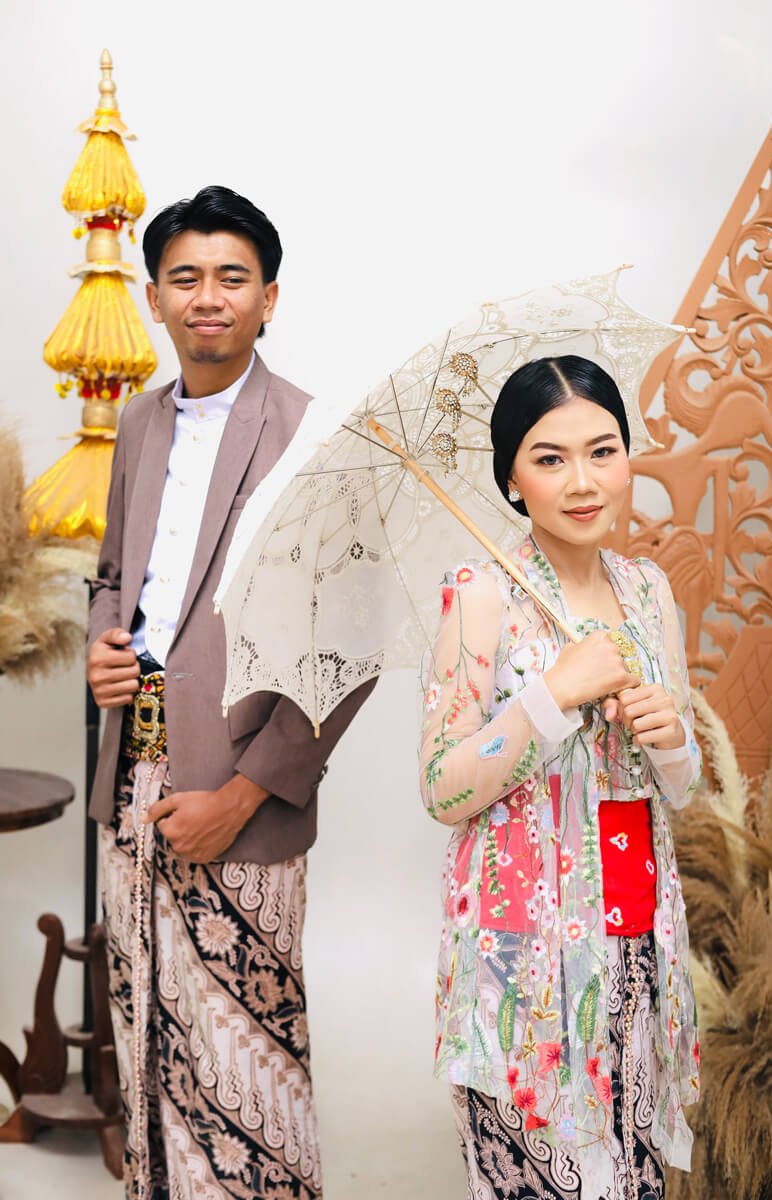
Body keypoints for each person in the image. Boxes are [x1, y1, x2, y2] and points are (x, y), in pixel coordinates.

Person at [87, 185, 375, 1200]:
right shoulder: (138, 423)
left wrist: (243, 796)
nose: (207, 297)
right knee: (143, 1022)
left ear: (268, 298)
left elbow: (348, 644)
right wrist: (101, 644)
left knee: (244, 1051)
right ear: (155, 298)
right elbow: (113, 577)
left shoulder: (313, 436)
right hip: (132, 771)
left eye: (231, 278)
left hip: (240, 782)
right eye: (185, 278)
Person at [420, 356, 701, 1200]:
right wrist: (550, 696)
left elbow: (682, 787)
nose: (583, 482)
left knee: (633, 1176)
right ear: (512, 477)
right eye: (550, 458)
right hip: (525, 952)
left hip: (639, 940)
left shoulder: (649, 592)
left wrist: (670, 738)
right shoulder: (479, 595)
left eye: (602, 451)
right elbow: (441, 787)